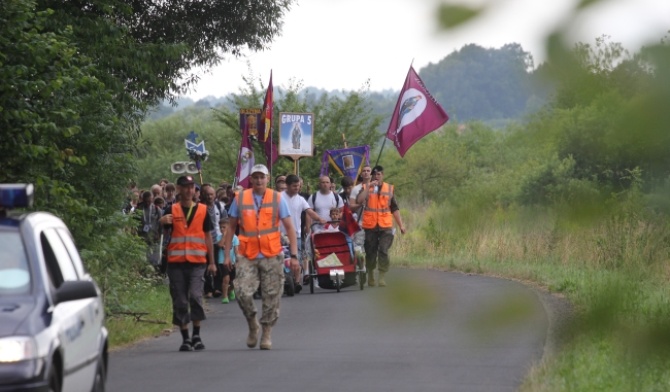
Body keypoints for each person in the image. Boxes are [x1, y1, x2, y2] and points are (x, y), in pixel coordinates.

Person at [222, 164, 300, 350]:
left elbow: (289, 227)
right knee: (242, 292)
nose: (259, 180)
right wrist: (227, 255)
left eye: (262, 177)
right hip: (247, 254)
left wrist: (295, 255)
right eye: (255, 177)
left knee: (272, 295)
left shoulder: (277, 198)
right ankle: (252, 323)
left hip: (271, 253)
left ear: (267, 178)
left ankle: (266, 331)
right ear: (251, 179)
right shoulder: (240, 198)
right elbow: (231, 227)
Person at [160, 175, 217, 352]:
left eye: (192, 187)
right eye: (185, 187)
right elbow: (159, 234)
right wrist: (161, 222)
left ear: (195, 190)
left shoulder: (202, 210)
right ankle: (185, 337)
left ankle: (197, 335)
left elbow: (208, 237)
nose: (188, 190)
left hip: (197, 262)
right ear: (178, 189)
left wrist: (212, 262)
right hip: (176, 263)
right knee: (181, 300)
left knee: (195, 296)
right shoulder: (172, 210)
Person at [355, 165, 406, 287]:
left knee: (383, 250)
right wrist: (368, 187)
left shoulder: (389, 189)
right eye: (375, 174)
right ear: (372, 175)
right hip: (370, 225)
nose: (376, 176)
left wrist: (401, 225)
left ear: (382, 175)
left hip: (386, 225)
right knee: (370, 251)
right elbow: (359, 200)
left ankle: (382, 276)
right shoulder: (365, 187)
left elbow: (394, 208)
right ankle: (371, 273)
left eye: (379, 174)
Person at [280, 174, 326, 290]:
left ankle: (296, 282)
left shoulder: (301, 199)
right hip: (280, 235)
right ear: (288, 186)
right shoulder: (279, 197)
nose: (297, 188)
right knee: (282, 259)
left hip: (296, 235)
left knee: (298, 258)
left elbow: (309, 211)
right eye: (294, 186)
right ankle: (283, 279)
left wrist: (319, 219)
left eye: (298, 186)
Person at [201, 184, 227, 298]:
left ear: (215, 195)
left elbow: (226, 222)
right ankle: (208, 289)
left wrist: (225, 238)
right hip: (204, 240)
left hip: (218, 239)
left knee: (218, 264)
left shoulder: (220, 207)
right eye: (207, 195)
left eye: (211, 194)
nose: (209, 196)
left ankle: (217, 287)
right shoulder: (200, 207)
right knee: (206, 265)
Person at [218, 217, 238, 304]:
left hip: (232, 261)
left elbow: (236, 250)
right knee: (226, 278)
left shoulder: (234, 238)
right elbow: (220, 245)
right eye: (221, 227)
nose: (222, 229)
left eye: (224, 227)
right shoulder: (219, 237)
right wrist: (225, 236)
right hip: (222, 261)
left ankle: (230, 290)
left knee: (235, 280)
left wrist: (238, 261)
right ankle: (225, 296)